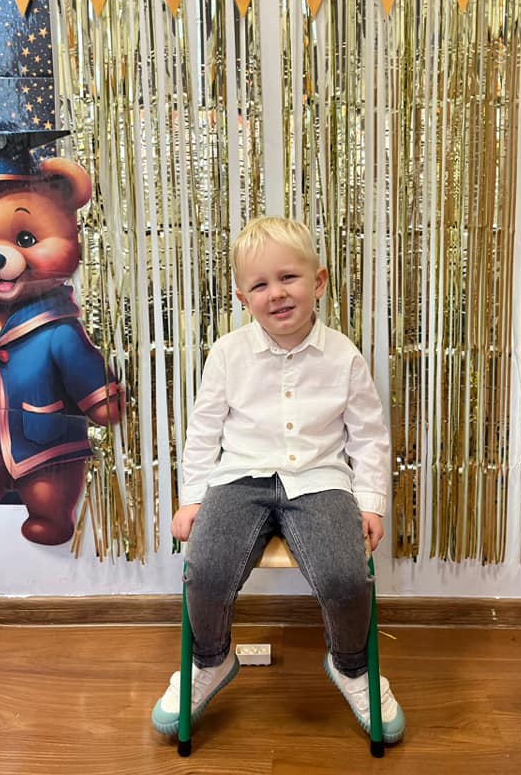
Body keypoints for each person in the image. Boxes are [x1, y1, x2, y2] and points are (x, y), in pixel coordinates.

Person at [151, 216, 405, 744]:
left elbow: (368, 436)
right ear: (244, 298)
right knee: (206, 569)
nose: (277, 293)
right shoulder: (228, 354)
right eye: (261, 285)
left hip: (319, 479)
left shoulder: (344, 356)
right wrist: (192, 499)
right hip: (240, 478)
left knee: (345, 576)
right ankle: (210, 660)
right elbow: (203, 431)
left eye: (288, 277)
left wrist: (371, 502)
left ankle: (352, 666)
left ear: (319, 281)